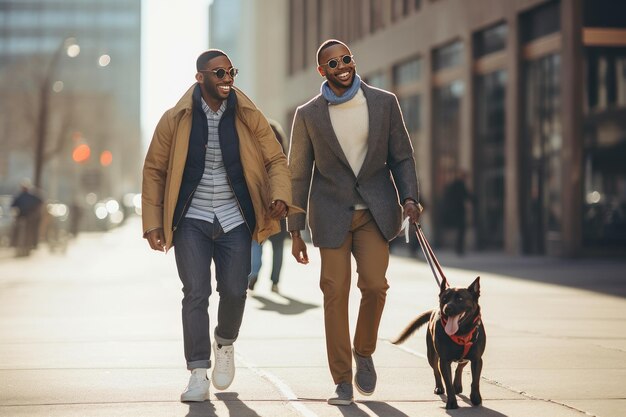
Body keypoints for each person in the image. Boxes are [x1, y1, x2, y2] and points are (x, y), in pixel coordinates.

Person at [141, 49, 298, 403]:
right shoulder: (176, 118)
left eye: (231, 71)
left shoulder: (248, 114)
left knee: (234, 290)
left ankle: (224, 343)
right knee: (195, 292)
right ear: (200, 78)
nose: (227, 78)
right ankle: (198, 371)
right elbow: (154, 170)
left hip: (235, 217)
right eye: (219, 73)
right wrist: (153, 222)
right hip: (192, 219)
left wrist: (279, 195)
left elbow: (275, 158)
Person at [287, 39, 422, 406]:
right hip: (330, 216)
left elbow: (403, 157)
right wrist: (295, 229)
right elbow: (297, 174)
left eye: (346, 59)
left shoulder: (384, 102)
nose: (342, 66)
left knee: (376, 286)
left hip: (375, 214)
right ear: (322, 71)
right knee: (334, 294)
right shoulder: (309, 114)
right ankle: (342, 379)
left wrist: (410, 197)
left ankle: (364, 351)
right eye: (333, 63)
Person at [248, 120, 289, 293]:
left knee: (257, 243)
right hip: (279, 205)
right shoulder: (282, 160)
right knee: (277, 247)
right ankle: (275, 282)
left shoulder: (253, 154)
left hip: (260, 205)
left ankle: (253, 273)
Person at [442, 169, 472, 255]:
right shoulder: (458, 184)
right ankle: (459, 249)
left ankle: (459, 248)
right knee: (461, 229)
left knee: (461, 230)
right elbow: (465, 195)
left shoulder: (456, 184)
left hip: (456, 210)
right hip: (458, 211)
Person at [10, 178, 43, 257]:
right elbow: (13, 205)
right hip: (22, 216)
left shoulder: (30, 196)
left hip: (29, 217)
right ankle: (15, 243)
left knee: (31, 230)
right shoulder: (20, 196)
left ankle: (29, 244)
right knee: (16, 229)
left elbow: (40, 201)